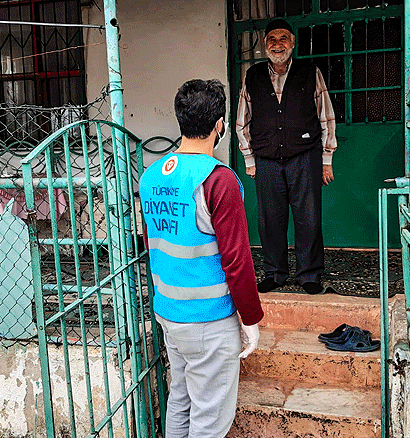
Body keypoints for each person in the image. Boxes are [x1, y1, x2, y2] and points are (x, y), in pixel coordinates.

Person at [139, 79, 264, 438]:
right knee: (209, 420)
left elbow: (151, 242)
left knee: (181, 400)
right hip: (209, 319)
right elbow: (237, 260)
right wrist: (250, 318)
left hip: (169, 313)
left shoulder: (151, 176)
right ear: (220, 125)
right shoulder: (218, 180)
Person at [236, 18, 337, 295]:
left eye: (283, 38)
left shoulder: (310, 72)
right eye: (272, 39)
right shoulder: (253, 75)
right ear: (264, 44)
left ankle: (309, 274)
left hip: (305, 156)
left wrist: (326, 159)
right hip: (266, 159)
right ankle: (275, 273)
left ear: (292, 42)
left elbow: (326, 116)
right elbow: (242, 121)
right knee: (270, 219)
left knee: (309, 218)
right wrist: (249, 159)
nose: (277, 44)